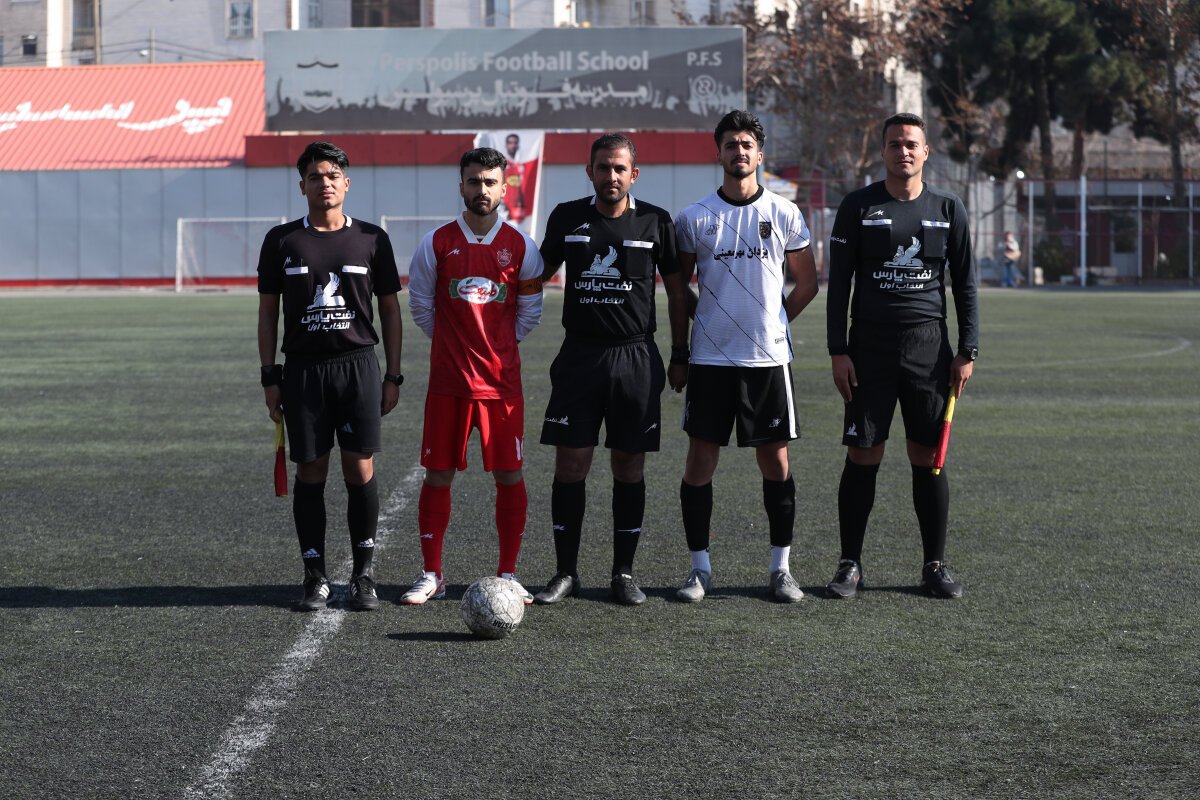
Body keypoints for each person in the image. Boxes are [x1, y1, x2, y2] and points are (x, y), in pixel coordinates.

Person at [825, 112, 979, 600]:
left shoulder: (948, 208)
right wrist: (838, 350)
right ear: (883, 151)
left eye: (912, 144)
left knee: (927, 457)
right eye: (894, 144)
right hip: (868, 348)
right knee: (863, 453)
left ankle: (934, 565)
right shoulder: (858, 206)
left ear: (926, 152)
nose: (903, 151)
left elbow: (966, 285)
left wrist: (968, 350)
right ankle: (850, 564)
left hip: (928, 349)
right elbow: (838, 285)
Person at [670, 110, 820, 603]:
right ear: (719, 153)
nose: (739, 152)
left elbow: (808, 282)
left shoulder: (784, 212)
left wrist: (776, 323)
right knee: (699, 462)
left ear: (760, 154)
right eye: (731, 144)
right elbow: (679, 290)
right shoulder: (693, 218)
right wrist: (688, 341)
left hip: (767, 362)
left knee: (775, 462)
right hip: (710, 361)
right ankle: (699, 570)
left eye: (747, 144)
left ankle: (781, 569)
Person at [533, 133, 688, 606]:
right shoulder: (566, 217)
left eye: (620, 168)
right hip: (579, 356)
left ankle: (623, 572)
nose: (611, 176)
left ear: (633, 174)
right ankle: (566, 572)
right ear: (590, 172)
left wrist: (680, 354)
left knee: (629, 464)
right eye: (603, 167)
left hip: (635, 358)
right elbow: (535, 276)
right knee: (571, 464)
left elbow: (678, 293)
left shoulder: (657, 221)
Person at [257, 140, 404, 612]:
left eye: (333, 175)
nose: (325, 183)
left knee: (360, 468)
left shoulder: (372, 238)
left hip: (358, 367)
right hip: (304, 371)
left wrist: (393, 375)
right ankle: (315, 576)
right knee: (311, 470)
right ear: (302, 185)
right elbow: (268, 312)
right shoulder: (281, 240)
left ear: (347, 183)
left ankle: (364, 576)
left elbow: (390, 310)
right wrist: (269, 377)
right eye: (315, 176)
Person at [401, 147, 544, 606]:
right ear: (461, 185)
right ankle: (432, 573)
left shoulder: (522, 247)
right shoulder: (436, 242)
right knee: (438, 474)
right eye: (474, 181)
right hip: (449, 384)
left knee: (509, 475)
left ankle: (508, 573)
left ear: (504, 188)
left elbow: (530, 312)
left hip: (502, 386)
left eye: (490, 182)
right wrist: (453, 346)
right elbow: (421, 306)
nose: (482, 189)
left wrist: (495, 348)